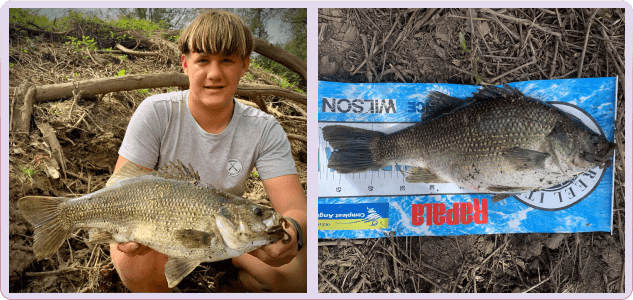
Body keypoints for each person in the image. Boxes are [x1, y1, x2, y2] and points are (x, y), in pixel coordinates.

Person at [109, 10, 307, 293]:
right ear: (185, 64)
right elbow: (121, 188)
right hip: (161, 234)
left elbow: (295, 209)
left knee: (297, 273)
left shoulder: (264, 129)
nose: (214, 74)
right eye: (203, 60)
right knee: (135, 263)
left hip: (228, 236)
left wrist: (295, 232)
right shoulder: (155, 113)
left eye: (227, 60)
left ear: (245, 65)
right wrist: (123, 232)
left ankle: (231, 284)